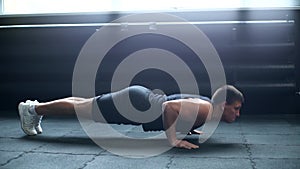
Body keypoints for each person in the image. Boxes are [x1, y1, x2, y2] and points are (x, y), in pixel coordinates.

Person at [18, 85, 244, 149]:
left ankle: (34, 108)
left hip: (139, 100)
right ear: (224, 105)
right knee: (83, 108)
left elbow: (183, 108)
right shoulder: (206, 109)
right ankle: (32, 110)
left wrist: (189, 127)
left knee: (85, 104)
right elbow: (170, 106)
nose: (237, 113)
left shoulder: (206, 109)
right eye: (235, 108)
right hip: (137, 104)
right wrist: (173, 139)